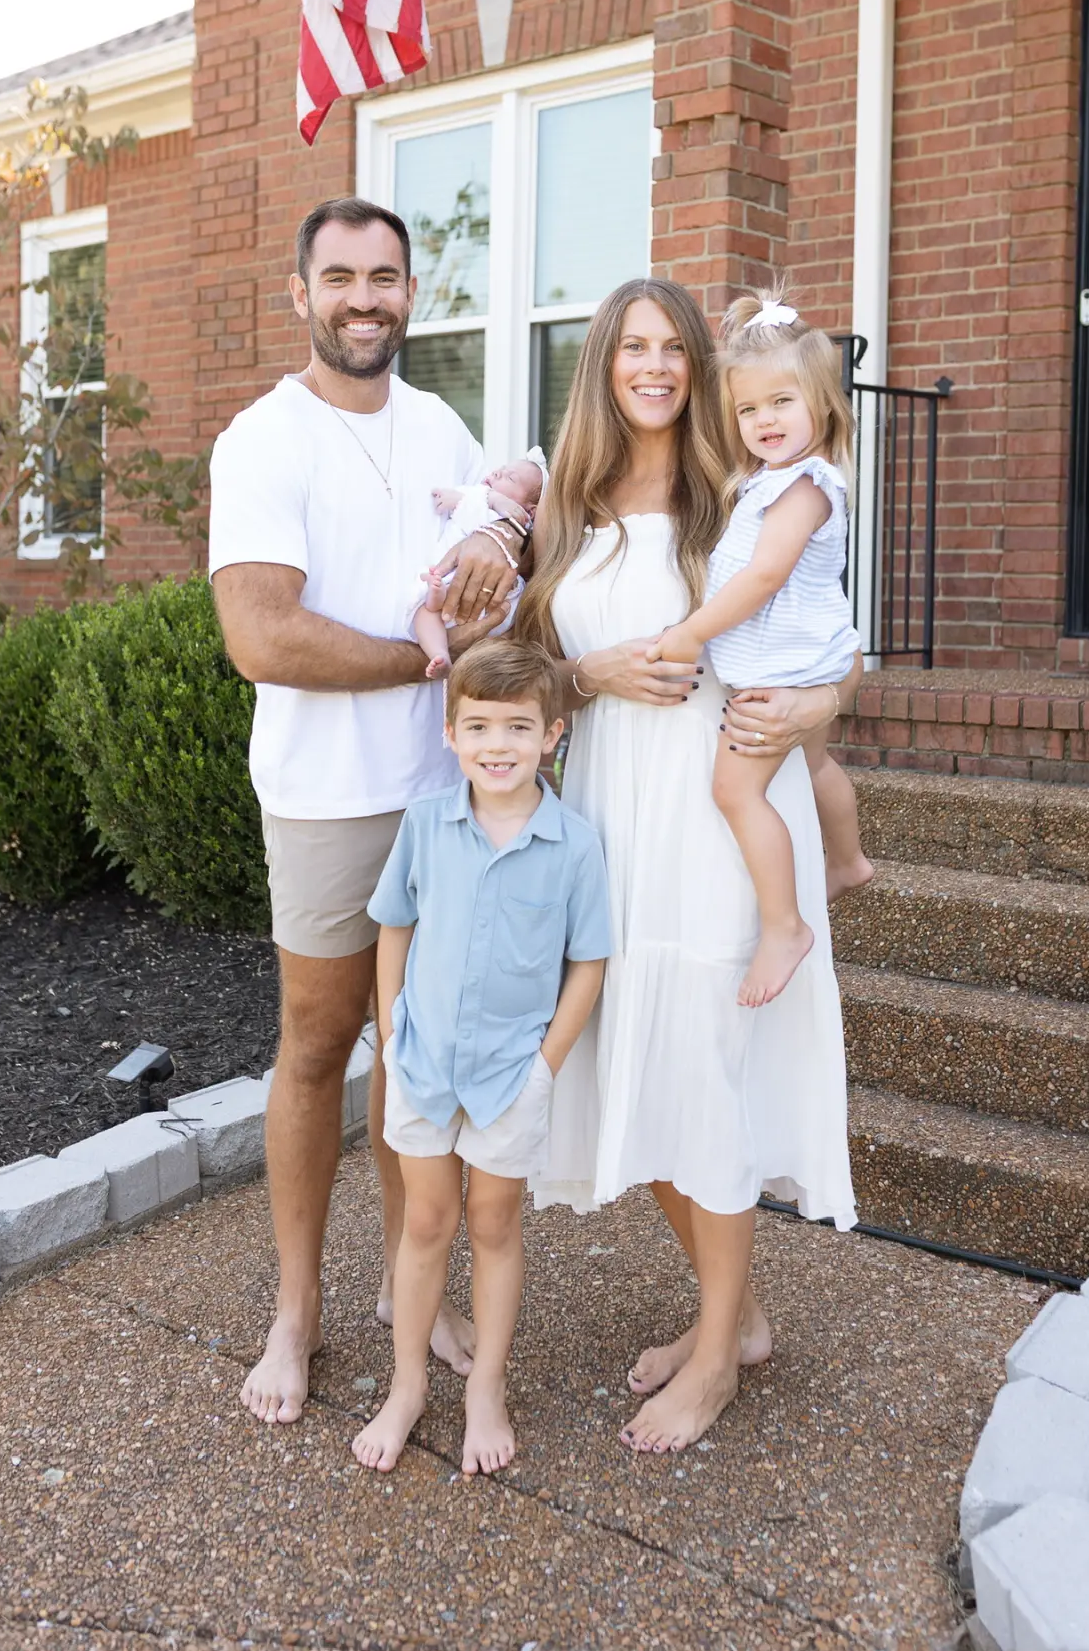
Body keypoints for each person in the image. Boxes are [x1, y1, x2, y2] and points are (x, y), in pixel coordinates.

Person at [516, 276, 861, 1455]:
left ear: (701, 364)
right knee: (638, 1066)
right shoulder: (568, 500)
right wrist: (589, 674)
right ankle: (742, 1314)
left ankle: (715, 1356)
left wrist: (819, 695)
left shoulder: (743, 486)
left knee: (705, 1068)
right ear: (604, 365)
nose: (655, 366)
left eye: (675, 347)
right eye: (633, 347)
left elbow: (826, 636)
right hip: (614, 814)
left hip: (721, 812)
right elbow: (518, 676)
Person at [209, 197, 526, 1427]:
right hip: (333, 797)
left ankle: (414, 1294)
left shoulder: (443, 422)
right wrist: (426, 664)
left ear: (410, 292)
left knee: (421, 1056)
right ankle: (297, 1309)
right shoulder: (262, 440)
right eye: (338, 275)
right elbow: (260, 631)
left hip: (449, 796)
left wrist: (506, 558)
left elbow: (495, 558)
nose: (364, 296)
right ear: (300, 292)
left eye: (385, 275)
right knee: (316, 1042)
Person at [354, 639, 609, 1476]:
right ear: (450, 734)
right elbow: (394, 924)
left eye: (517, 726)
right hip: (423, 1064)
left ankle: (486, 1387)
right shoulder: (426, 825)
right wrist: (391, 1032)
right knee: (426, 1221)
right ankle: (406, 1386)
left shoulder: (572, 845)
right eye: (479, 726)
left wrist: (546, 1065)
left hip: (511, 1077)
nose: (497, 744)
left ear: (552, 736)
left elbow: (589, 963)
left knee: (494, 1224)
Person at [655, 292, 872, 1007]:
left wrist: (690, 633)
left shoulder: (806, 486)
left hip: (780, 670)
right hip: (807, 655)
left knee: (733, 790)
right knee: (813, 763)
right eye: (749, 411)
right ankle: (847, 862)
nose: (764, 421)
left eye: (781, 402)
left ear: (821, 404)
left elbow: (766, 574)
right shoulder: (767, 481)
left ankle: (782, 925)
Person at [410, 448, 548, 678]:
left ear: (531, 510)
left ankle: (439, 624)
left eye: (510, 477)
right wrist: (494, 498)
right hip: (463, 589)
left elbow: (472, 507)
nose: (497, 474)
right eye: (501, 470)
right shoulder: (488, 501)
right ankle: (440, 654)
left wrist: (465, 500)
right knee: (423, 609)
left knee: (425, 607)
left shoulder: (506, 517)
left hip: (485, 592)